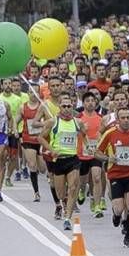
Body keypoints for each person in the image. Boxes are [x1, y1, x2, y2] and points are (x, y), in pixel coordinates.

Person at [95, 106, 129, 248]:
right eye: (122, 118)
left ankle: (128, 236)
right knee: (118, 208)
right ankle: (116, 216)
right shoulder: (110, 134)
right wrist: (108, 159)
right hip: (116, 174)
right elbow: (97, 153)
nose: (125, 120)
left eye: (128, 118)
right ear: (117, 120)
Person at [38, 94, 83, 231]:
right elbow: (41, 138)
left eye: (69, 106)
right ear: (59, 107)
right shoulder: (53, 122)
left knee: (73, 187)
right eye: (64, 106)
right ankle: (63, 203)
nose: (67, 109)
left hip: (72, 159)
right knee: (61, 193)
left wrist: (88, 147)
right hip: (58, 160)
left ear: (72, 107)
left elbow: (85, 135)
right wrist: (51, 150)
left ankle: (68, 218)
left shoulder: (77, 122)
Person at [77, 92, 105, 216]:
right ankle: (82, 190)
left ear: (96, 102)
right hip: (82, 154)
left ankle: (97, 205)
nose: (90, 103)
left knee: (97, 177)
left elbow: (104, 134)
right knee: (83, 180)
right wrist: (81, 130)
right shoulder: (78, 118)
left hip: (95, 153)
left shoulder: (101, 118)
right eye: (87, 100)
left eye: (92, 100)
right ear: (83, 103)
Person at [20, 82, 46, 202]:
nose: (33, 94)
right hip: (28, 139)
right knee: (32, 165)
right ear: (28, 93)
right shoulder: (23, 107)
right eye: (31, 92)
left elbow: (49, 121)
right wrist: (15, 129)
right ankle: (36, 192)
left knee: (42, 169)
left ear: (39, 93)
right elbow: (16, 119)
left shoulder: (43, 106)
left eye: (36, 92)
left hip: (41, 140)